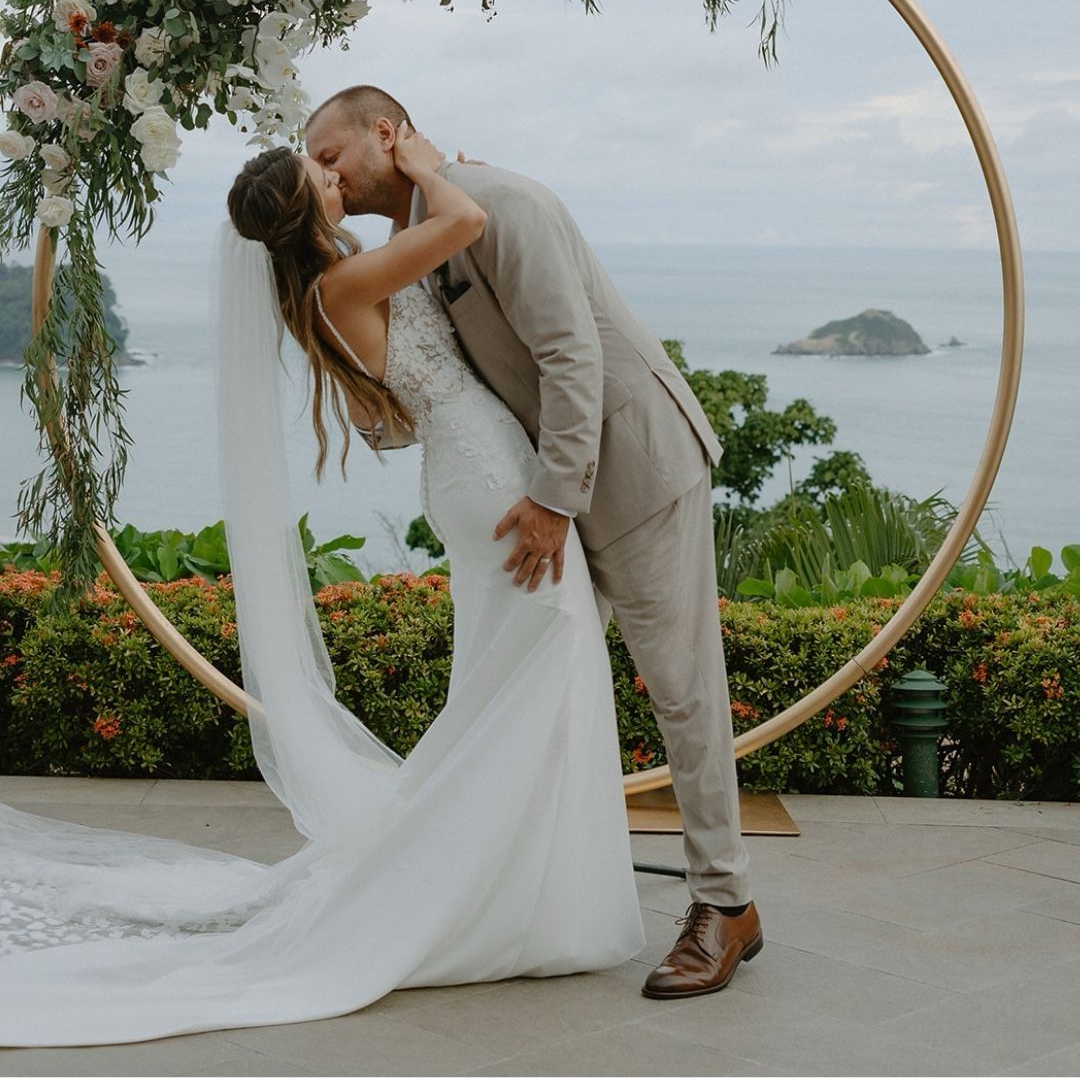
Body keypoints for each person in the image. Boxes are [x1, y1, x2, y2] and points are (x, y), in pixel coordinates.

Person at [0, 123, 645, 1048]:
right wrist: (426, 168)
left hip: (476, 476)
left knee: (519, 683)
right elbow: (462, 221)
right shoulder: (343, 283)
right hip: (494, 484)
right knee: (545, 672)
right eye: (323, 173)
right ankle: (505, 899)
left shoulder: (334, 283)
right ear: (308, 207)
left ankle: (533, 892)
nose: (339, 178)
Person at [305, 85, 761, 1000]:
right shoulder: (421, 236)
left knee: (680, 690)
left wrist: (556, 499)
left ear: (385, 135)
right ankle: (536, 891)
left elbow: (569, 354)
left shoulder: (503, 202)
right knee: (534, 690)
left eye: (331, 154)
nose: (326, 174)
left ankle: (726, 903)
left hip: (631, 470)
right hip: (537, 487)